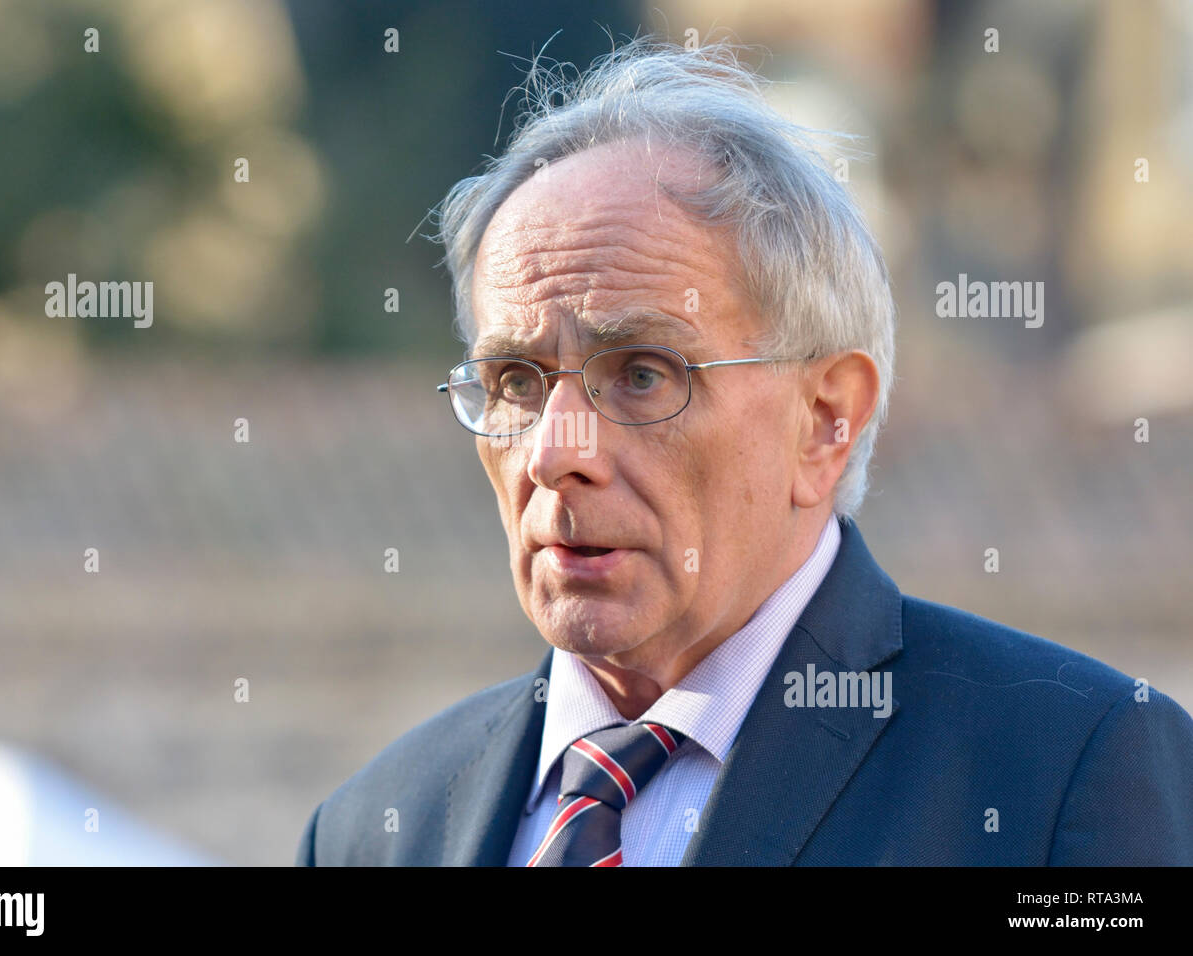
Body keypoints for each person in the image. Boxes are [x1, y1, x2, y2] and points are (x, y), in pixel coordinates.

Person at [297, 38, 1193, 866]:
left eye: (642, 375)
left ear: (826, 419)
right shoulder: (372, 828)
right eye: (517, 383)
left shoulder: (1065, 771)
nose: (554, 455)